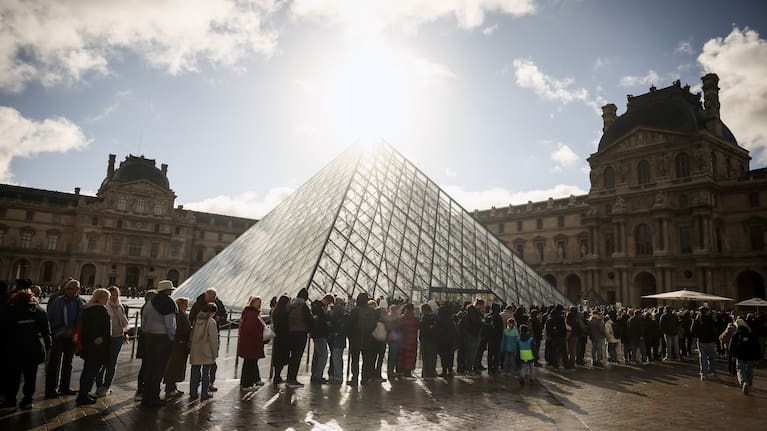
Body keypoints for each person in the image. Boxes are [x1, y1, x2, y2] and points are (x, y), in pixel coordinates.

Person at [2, 282, 51, 409]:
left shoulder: (10, 310)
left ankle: (11, 400)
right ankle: (28, 399)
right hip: (33, 347)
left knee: (13, 375)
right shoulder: (38, 310)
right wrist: (48, 345)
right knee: (30, 375)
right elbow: (46, 330)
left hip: (13, 348)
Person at [45, 279, 86, 398]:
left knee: (68, 362)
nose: (68, 291)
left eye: (72, 289)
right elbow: (50, 317)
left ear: (78, 290)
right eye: (67, 289)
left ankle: (65, 387)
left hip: (73, 336)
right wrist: (52, 331)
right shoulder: (58, 301)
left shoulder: (82, 302)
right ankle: (51, 389)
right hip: (58, 335)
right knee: (54, 363)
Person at [139, 280, 177, 407]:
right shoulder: (168, 302)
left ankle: (146, 396)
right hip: (163, 339)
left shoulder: (149, 303)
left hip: (149, 338)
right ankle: (154, 397)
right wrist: (172, 338)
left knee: (149, 368)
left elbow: (143, 321)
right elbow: (170, 324)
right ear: (167, 291)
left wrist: (147, 332)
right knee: (158, 370)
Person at [76, 288, 112, 405]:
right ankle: (83, 396)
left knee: (87, 370)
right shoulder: (99, 310)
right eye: (107, 298)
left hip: (88, 345)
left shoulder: (88, 309)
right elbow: (100, 329)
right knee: (92, 371)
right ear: (101, 298)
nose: (108, 300)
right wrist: (100, 340)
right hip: (97, 347)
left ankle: (83, 393)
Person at [189, 288, 228, 393]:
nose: (212, 299)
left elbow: (225, 315)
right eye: (210, 297)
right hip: (205, 339)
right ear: (206, 295)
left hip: (198, 340)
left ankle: (206, 385)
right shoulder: (198, 305)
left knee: (203, 366)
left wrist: (221, 318)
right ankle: (203, 391)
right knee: (204, 367)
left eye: (213, 298)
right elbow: (191, 318)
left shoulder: (218, 304)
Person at [95, 286, 129, 397]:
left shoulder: (121, 307)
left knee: (112, 362)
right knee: (102, 362)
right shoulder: (104, 306)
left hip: (118, 337)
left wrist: (125, 332)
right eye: (112, 295)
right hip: (106, 338)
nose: (114, 297)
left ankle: (107, 386)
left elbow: (124, 323)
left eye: (116, 295)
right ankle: (99, 385)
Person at [189, 303, 219, 401]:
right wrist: (215, 353)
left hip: (196, 350)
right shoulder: (211, 322)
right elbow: (213, 340)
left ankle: (193, 392)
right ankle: (204, 393)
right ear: (212, 313)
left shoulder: (197, 320)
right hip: (207, 350)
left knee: (195, 372)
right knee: (206, 373)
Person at [347, 292, 377, 386]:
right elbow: (375, 325)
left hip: (356, 339)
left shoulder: (355, 311)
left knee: (355, 360)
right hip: (368, 340)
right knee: (367, 360)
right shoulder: (372, 311)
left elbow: (349, 324)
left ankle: (354, 379)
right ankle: (364, 379)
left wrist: (349, 335)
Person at [164, 297, 192, 397]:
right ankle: (169, 388)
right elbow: (179, 329)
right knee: (173, 366)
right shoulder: (179, 315)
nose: (187, 306)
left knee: (177, 366)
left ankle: (173, 387)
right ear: (180, 305)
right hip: (178, 344)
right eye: (185, 304)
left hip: (181, 344)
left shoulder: (181, 314)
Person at [286, 288, 312, 387]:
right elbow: (309, 320)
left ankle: (289, 378)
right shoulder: (304, 307)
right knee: (296, 357)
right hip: (300, 333)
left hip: (290, 333)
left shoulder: (290, 305)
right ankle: (292, 379)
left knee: (292, 356)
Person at [238, 296, 266, 389]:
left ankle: (247, 382)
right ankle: (247, 383)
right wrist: (261, 335)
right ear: (252, 303)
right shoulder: (251, 314)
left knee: (249, 362)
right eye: (257, 302)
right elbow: (251, 329)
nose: (259, 304)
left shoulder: (251, 313)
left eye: (259, 302)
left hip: (251, 342)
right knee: (250, 362)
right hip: (251, 342)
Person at [729, 317, 761, 394]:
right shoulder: (750, 333)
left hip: (740, 355)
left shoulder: (736, 334)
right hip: (750, 355)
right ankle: (749, 383)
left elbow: (731, 346)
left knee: (740, 369)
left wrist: (733, 355)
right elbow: (756, 345)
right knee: (749, 369)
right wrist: (757, 356)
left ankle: (744, 382)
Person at [134, 289, 157, 399]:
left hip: (146, 340)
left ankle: (142, 388)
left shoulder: (147, 307)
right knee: (146, 366)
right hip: (147, 340)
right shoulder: (148, 308)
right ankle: (141, 389)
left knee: (146, 365)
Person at [310, 294, 334, 384]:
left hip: (316, 334)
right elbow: (322, 321)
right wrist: (326, 317)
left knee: (317, 355)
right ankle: (318, 376)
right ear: (327, 300)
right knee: (323, 355)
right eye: (329, 303)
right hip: (320, 334)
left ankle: (314, 374)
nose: (328, 305)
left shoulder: (315, 306)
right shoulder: (320, 308)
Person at [691, 306, 718, 380]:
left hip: (701, 340)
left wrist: (697, 335)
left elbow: (692, 330)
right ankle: (712, 372)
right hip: (710, 340)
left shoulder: (697, 320)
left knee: (703, 357)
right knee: (711, 357)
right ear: (707, 311)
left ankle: (703, 374)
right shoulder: (710, 319)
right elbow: (715, 329)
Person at [271, 294, 290, 384]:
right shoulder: (285, 313)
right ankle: (277, 376)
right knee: (282, 357)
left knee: (277, 357)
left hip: (277, 337)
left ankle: (276, 375)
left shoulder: (276, 311)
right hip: (285, 337)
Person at [435, 302, 457, 378]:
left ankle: (444, 371)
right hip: (450, 341)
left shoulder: (439, 320)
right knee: (450, 356)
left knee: (443, 356)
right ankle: (450, 370)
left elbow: (437, 330)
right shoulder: (451, 321)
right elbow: (455, 331)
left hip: (442, 341)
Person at [398, 304, 420, 379]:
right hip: (413, 340)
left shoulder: (402, 318)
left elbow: (399, 328)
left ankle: (402, 371)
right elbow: (418, 326)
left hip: (404, 340)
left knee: (403, 356)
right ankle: (408, 372)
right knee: (411, 357)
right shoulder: (415, 319)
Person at [329, 297, 347, 384]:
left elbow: (336, 325)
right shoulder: (344, 313)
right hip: (341, 338)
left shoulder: (336, 312)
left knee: (336, 357)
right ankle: (338, 375)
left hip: (337, 338)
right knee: (338, 357)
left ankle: (337, 376)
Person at [419, 303, 438, 378]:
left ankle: (426, 373)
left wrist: (420, 339)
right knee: (433, 357)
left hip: (425, 340)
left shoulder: (424, 317)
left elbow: (422, 330)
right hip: (433, 340)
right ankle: (432, 372)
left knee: (426, 357)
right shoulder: (434, 317)